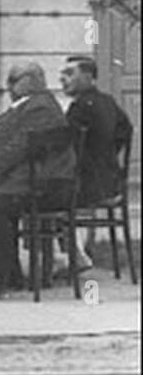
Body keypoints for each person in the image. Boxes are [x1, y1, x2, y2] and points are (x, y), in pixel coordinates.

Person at [0, 62, 77, 301]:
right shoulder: (24, 106)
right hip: (31, 179)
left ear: (34, 80)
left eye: (15, 79)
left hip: (47, 184)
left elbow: (22, 145)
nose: (9, 85)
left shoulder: (41, 108)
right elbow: (2, 138)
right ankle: (8, 272)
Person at [60, 55, 133, 269]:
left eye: (69, 74)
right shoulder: (108, 102)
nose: (63, 79)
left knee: (42, 195)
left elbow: (65, 147)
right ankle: (72, 253)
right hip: (110, 182)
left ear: (89, 77)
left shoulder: (79, 109)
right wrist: (105, 156)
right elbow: (125, 130)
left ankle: (64, 256)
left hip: (88, 187)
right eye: (62, 75)